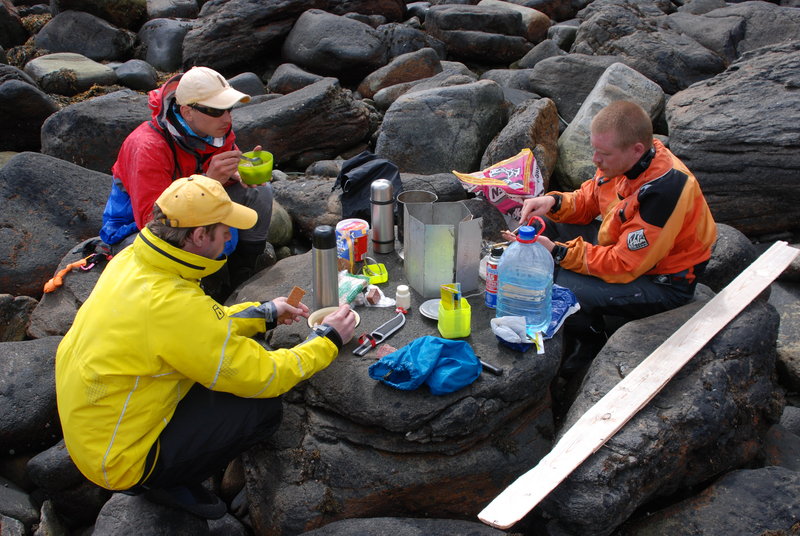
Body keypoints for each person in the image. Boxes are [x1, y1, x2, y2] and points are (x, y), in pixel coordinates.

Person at [56, 175, 357, 519]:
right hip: (121, 459)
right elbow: (265, 375)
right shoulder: (174, 306)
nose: (231, 236)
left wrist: (263, 314)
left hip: (94, 428)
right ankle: (161, 481)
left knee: (227, 369)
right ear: (199, 236)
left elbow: (192, 331)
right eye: (225, 229)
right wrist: (327, 340)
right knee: (262, 407)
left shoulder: (133, 262)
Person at [508, 100, 717, 373]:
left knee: (560, 283)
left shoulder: (665, 190)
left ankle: (590, 343)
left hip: (663, 280)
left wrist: (558, 253)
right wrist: (553, 202)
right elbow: (589, 200)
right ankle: (568, 318)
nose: (595, 159)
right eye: (594, 150)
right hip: (625, 249)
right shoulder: (619, 163)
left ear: (636, 150)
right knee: (544, 224)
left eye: (603, 153)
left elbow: (625, 264)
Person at [99, 65, 272, 300]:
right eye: (216, 110)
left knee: (260, 194)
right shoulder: (148, 146)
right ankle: (201, 290)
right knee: (205, 239)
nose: (227, 118)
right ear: (187, 112)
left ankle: (243, 276)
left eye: (229, 108)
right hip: (139, 224)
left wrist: (242, 169)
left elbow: (225, 166)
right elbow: (152, 221)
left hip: (197, 205)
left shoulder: (216, 130)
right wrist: (210, 181)